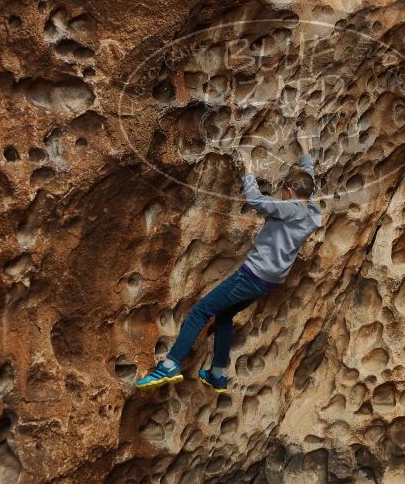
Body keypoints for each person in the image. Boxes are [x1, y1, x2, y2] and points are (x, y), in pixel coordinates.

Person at [136, 128, 322, 393]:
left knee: (200, 311)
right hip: (269, 281)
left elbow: (256, 200)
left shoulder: (288, 207)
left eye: (284, 191)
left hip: (252, 276)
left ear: (289, 192)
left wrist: (247, 166)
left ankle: (169, 366)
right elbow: (309, 181)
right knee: (224, 315)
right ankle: (218, 374)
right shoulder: (311, 210)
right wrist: (305, 150)